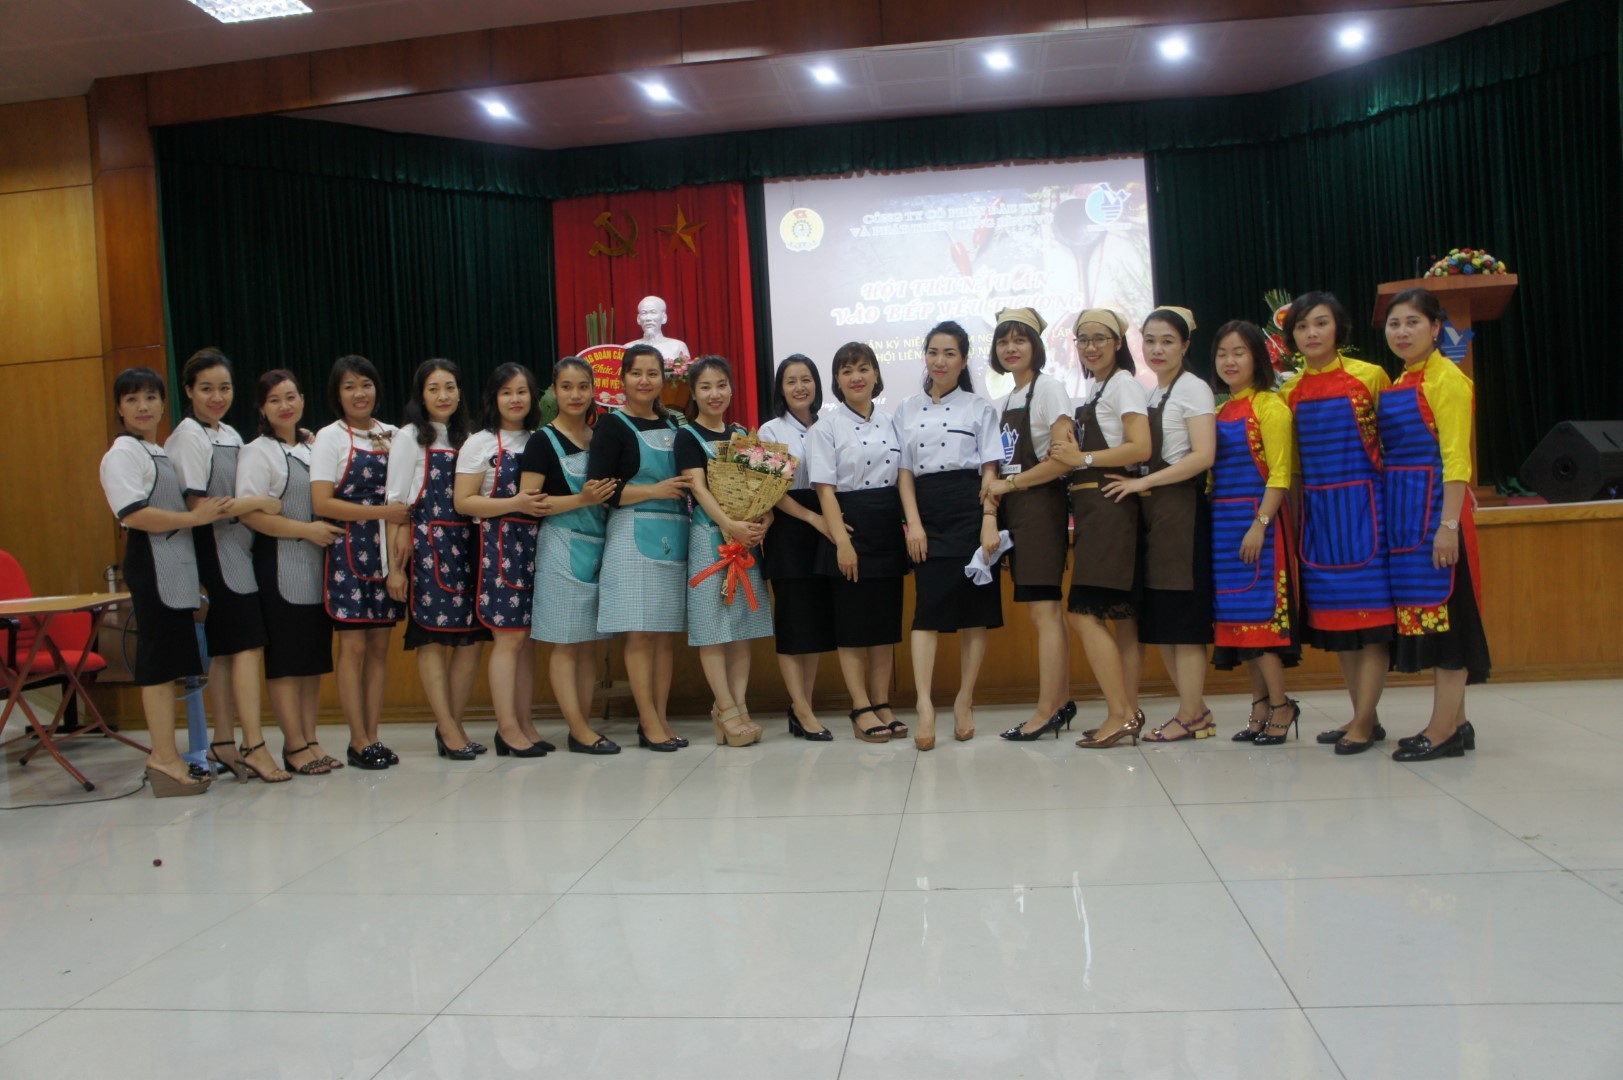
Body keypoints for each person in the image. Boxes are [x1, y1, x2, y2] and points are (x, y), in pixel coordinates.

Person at [165, 348, 290, 782]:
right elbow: (197, 507)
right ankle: (253, 744)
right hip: (215, 549)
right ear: (188, 391)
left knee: (224, 651)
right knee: (249, 647)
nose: (217, 397)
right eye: (206, 389)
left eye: (225, 388)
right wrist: (257, 503)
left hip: (239, 547)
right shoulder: (187, 437)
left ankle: (222, 741)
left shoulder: (231, 434)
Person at [98, 367, 222, 797]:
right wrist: (195, 518)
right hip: (151, 563)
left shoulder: (156, 450)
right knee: (157, 664)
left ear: (164, 403)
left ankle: (170, 756)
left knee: (170, 666)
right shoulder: (122, 454)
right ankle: (163, 758)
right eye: (132, 399)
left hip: (174, 565)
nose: (143, 407)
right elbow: (133, 514)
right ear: (119, 408)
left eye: (150, 398)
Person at [1279, 292, 1393, 755]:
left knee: (1373, 624)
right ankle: (1364, 715)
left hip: (1367, 511)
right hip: (1320, 519)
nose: (1312, 333)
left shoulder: (1370, 377)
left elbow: (1394, 444)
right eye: (1302, 326)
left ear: (1338, 329)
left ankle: (1363, 722)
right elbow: (1291, 468)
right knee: (1343, 627)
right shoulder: (1289, 392)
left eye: (1321, 323)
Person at [1380, 287, 1491, 761]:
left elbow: (1457, 459)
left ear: (1436, 328)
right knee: (1436, 618)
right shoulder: (1401, 380)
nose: (1402, 332)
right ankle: (1457, 723)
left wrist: (1448, 525)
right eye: (1394, 324)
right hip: (1409, 514)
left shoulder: (1448, 379)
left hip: (1437, 517)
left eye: (1413, 322)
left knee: (1452, 620)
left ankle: (1442, 730)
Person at [1099, 307, 1218, 743]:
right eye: (1149, 340)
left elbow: (1203, 456)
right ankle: (1195, 711)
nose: (1157, 349)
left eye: (1167, 340)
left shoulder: (1194, 389)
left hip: (1181, 512)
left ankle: (1191, 714)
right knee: (1165, 620)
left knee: (1183, 622)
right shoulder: (1151, 393)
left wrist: (1143, 482)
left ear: (1185, 345)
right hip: (1154, 517)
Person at [896, 321, 1003, 750]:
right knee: (927, 613)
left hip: (970, 508)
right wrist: (914, 523)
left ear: (963, 360)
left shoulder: (979, 408)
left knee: (975, 612)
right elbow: (904, 473)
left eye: (950, 353)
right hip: (928, 511)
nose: (940, 361)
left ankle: (964, 700)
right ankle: (924, 705)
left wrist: (989, 518)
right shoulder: (906, 409)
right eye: (933, 352)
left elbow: (990, 470)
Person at [237, 369, 345, 775]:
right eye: (275, 400)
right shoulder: (257, 453)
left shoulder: (311, 448)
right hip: (280, 563)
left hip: (317, 565)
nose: (285, 405)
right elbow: (251, 515)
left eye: (291, 397)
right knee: (285, 660)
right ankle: (294, 744)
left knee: (311, 660)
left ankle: (311, 738)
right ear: (262, 408)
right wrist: (306, 530)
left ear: (302, 399)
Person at [588, 344, 692, 751]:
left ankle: (660, 718)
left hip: (674, 535)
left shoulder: (674, 424)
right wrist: (655, 490)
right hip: (631, 536)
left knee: (664, 636)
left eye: (652, 373)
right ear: (622, 380)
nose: (645, 381)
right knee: (641, 636)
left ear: (663, 380)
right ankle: (647, 722)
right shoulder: (611, 427)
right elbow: (600, 490)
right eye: (637, 373)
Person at [982, 309, 1077, 742]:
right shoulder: (1006, 400)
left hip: (1040, 506)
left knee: (1045, 611)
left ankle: (1047, 709)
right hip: (1017, 509)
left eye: (1020, 340)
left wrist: (1011, 484)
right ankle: (1060, 701)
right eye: (1003, 341)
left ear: (1036, 346)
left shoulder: (1049, 389)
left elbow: (1063, 458)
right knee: (1044, 612)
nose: (1011, 348)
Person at [387, 359, 490, 761]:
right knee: (431, 636)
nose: (443, 395)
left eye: (449, 387)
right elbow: (396, 503)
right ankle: (447, 727)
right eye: (433, 389)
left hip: (467, 544)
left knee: (470, 640)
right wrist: (395, 568)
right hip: (427, 545)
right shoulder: (409, 437)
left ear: (460, 392)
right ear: (421, 395)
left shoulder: (472, 438)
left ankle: (453, 724)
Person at [1060, 309, 1153, 749]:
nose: (1090, 347)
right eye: (1083, 339)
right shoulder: (1099, 387)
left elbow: (1141, 446)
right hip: (1096, 508)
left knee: (1082, 612)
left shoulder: (1124, 385)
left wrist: (1084, 458)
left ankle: (1119, 714)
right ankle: (1127, 711)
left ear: (1118, 342)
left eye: (1100, 338)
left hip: (1110, 507)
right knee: (1123, 618)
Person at [806, 342, 908, 744]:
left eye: (863, 368)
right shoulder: (825, 427)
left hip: (886, 524)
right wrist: (841, 543)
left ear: (876, 374)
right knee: (852, 624)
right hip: (848, 524)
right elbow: (824, 490)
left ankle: (882, 702)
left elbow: (902, 477)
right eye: (847, 371)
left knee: (884, 624)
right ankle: (861, 706)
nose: (856, 377)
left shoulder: (892, 421)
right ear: (837, 380)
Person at [519, 357, 621, 755]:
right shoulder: (542, 441)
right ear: (554, 392)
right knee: (565, 643)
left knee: (587, 643)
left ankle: (585, 724)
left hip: (599, 547)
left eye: (582, 386)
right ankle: (577, 729)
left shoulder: (600, 438)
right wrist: (582, 499)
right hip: (561, 546)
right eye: (567, 387)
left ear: (594, 390)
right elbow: (530, 503)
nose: (575, 394)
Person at [1207, 323, 1303, 745]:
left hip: (1258, 525)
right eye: (1222, 353)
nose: (1229, 361)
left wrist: (1260, 525)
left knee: (1262, 621)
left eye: (1239, 352)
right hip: (1224, 526)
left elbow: (1280, 475)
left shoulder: (1271, 406)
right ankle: (1260, 706)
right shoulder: (1219, 412)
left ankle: (1282, 705)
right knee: (1239, 622)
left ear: (1257, 358)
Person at [310, 354, 407, 770]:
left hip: (387, 551)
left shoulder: (394, 434)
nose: (359, 393)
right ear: (337, 394)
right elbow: (322, 503)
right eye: (349, 386)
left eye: (365, 384)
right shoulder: (329, 437)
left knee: (380, 648)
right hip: (348, 549)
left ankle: (373, 734)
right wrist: (382, 513)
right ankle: (357, 738)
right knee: (352, 647)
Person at [455, 363, 549, 758]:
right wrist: (516, 503)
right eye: (506, 392)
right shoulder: (478, 443)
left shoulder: (540, 439)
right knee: (508, 639)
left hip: (536, 545)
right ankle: (506, 727)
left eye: (522, 391)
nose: (515, 399)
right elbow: (464, 501)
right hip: (499, 544)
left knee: (526, 641)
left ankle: (525, 722)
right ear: (493, 398)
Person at [678, 356, 772, 747]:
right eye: (705, 387)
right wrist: (730, 524)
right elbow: (698, 489)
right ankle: (725, 707)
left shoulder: (741, 435)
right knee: (712, 628)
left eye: (721, 385)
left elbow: (762, 487)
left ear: (731, 389)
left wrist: (763, 517)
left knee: (741, 629)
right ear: (693, 392)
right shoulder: (687, 436)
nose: (714, 393)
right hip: (709, 539)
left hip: (744, 540)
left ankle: (739, 705)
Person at [758, 356, 837, 741]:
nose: (800, 387)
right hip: (790, 528)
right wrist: (813, 519)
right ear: (781, 389)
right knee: (793, 621)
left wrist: (826, 521)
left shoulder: (829, 425)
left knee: (814, 622)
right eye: (791, 381)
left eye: (806, 379)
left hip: (825, 524)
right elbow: (772, 490)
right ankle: (802, 709)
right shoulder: (771, 430)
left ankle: (802, 705)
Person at [624, 295, 690, 364]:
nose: (648, 318)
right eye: (644, 313)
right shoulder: (628, 348)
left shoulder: (678, 346)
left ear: (664, 317)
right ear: (638, 319)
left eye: (653, 312)